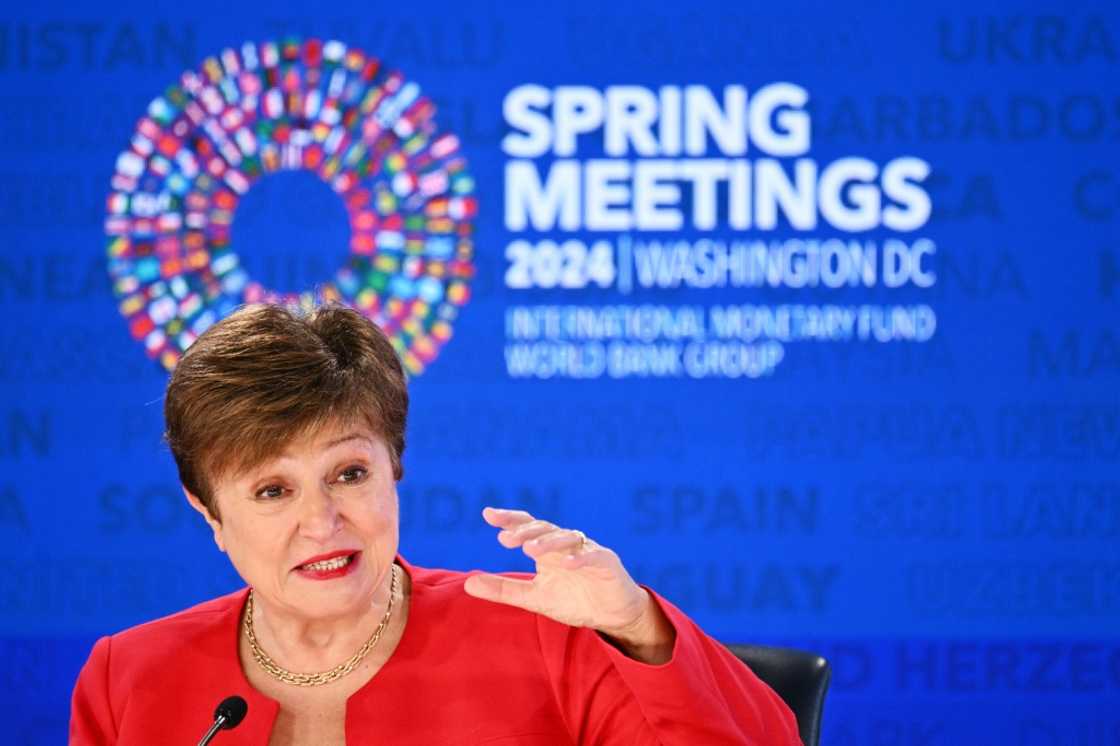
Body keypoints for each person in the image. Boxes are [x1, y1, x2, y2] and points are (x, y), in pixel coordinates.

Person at [70, 303, 802, 745]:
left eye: (349, 474)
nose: (321, 522)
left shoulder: (546, 639)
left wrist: (637, 626)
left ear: (394, 466)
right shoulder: (128, 678)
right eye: (272, 491)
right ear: (208, 510)